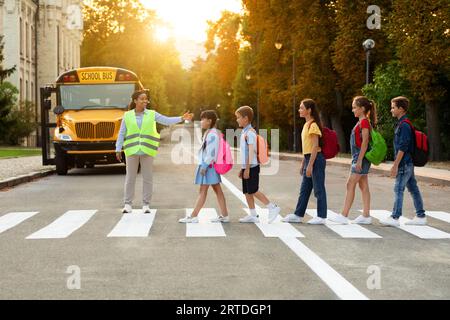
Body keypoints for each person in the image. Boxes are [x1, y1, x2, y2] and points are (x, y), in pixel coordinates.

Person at [115, 90, 193, 213]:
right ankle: (127, 204)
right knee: (130, 178)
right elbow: (121, 133)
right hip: (131, 150)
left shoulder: (152, 114)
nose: (145, 101)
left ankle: (146, 204)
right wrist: (118, 148)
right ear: (135, 101)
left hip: (147, 149)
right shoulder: (127, 115)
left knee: (147, 178)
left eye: (146, 99)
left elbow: (166, 120)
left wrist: (181, 118)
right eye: (142, 99)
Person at [380, 96, 427, 226]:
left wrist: (395, 165)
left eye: (393, 107)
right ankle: (420, 216)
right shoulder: (404, 123)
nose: (391, 110)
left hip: (404, 163)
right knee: (413, 188)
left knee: (398, 188)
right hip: (408, 162)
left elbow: (403, 147)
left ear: (401, 109)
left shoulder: (404, 125)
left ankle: (395, 217)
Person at [329, 96, 376, 225]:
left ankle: (344, 215)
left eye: (355, 107)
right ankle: (366, 216)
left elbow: (365, 142)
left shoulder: (364, 122)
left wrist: (359, 160)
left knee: (350, 184)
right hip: (360, 157)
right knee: (363, 186)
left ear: (362, 108)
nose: (353, 110)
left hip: (361, 158)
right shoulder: (362, 121)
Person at [281, 99, 327, 224]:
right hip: (309, 158)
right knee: (304, 190)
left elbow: (315, 147)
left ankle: (321, 216)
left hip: (316, 159)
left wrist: (310, 165)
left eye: (302, 108)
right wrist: (304, 163)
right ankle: (298, 215)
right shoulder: (306, 125)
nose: (299, 110)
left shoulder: (313, 125)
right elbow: (307, 148)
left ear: (309, 110)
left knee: (318, 189)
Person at [179, 110, 229, 223]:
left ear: (209, 121)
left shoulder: (211, 134)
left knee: (203, 191)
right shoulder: (210, 132)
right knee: (217, 190)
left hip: (208, 166)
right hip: (209, 166)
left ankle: (193, 216)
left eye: (202, 119)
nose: (201, 121)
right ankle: (224, 215)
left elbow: (211, 152)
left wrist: (204, 166)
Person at [235, 106, 281, 223]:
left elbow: (251, 152)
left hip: (252, 167)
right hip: (247, 167)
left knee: (253, 190)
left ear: (246, 118)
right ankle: (253, 215)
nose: (237, 120)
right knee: (246, 191)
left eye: (239, 117)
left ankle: (272, 207)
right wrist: (243, 168)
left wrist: (248, 169)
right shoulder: (245, 132)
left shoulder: (250, 133)